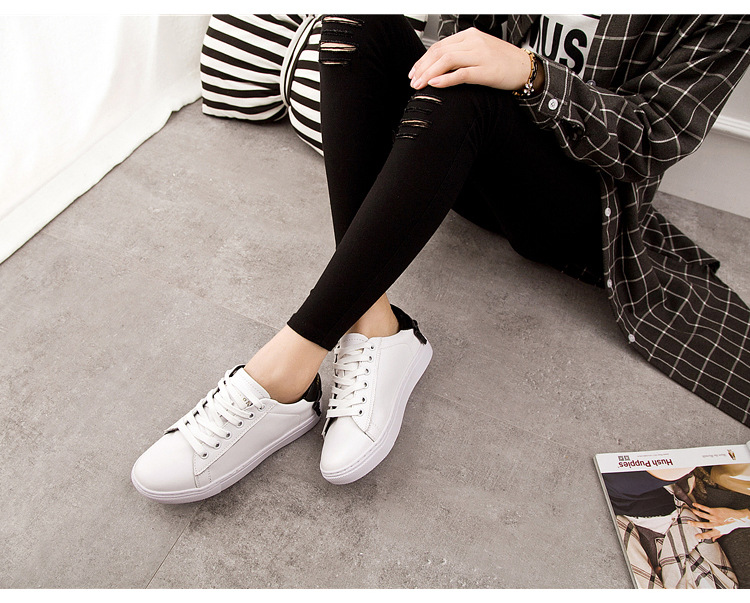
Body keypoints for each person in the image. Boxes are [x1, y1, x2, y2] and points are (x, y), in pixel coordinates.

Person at [131, 15, 750, 504]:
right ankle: (377, 325)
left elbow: (655, 137)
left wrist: (533, 74)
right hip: (466, 161)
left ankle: (280, 374)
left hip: (581, 208)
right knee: (358, 24)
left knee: (471, 95)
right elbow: (457, 42)